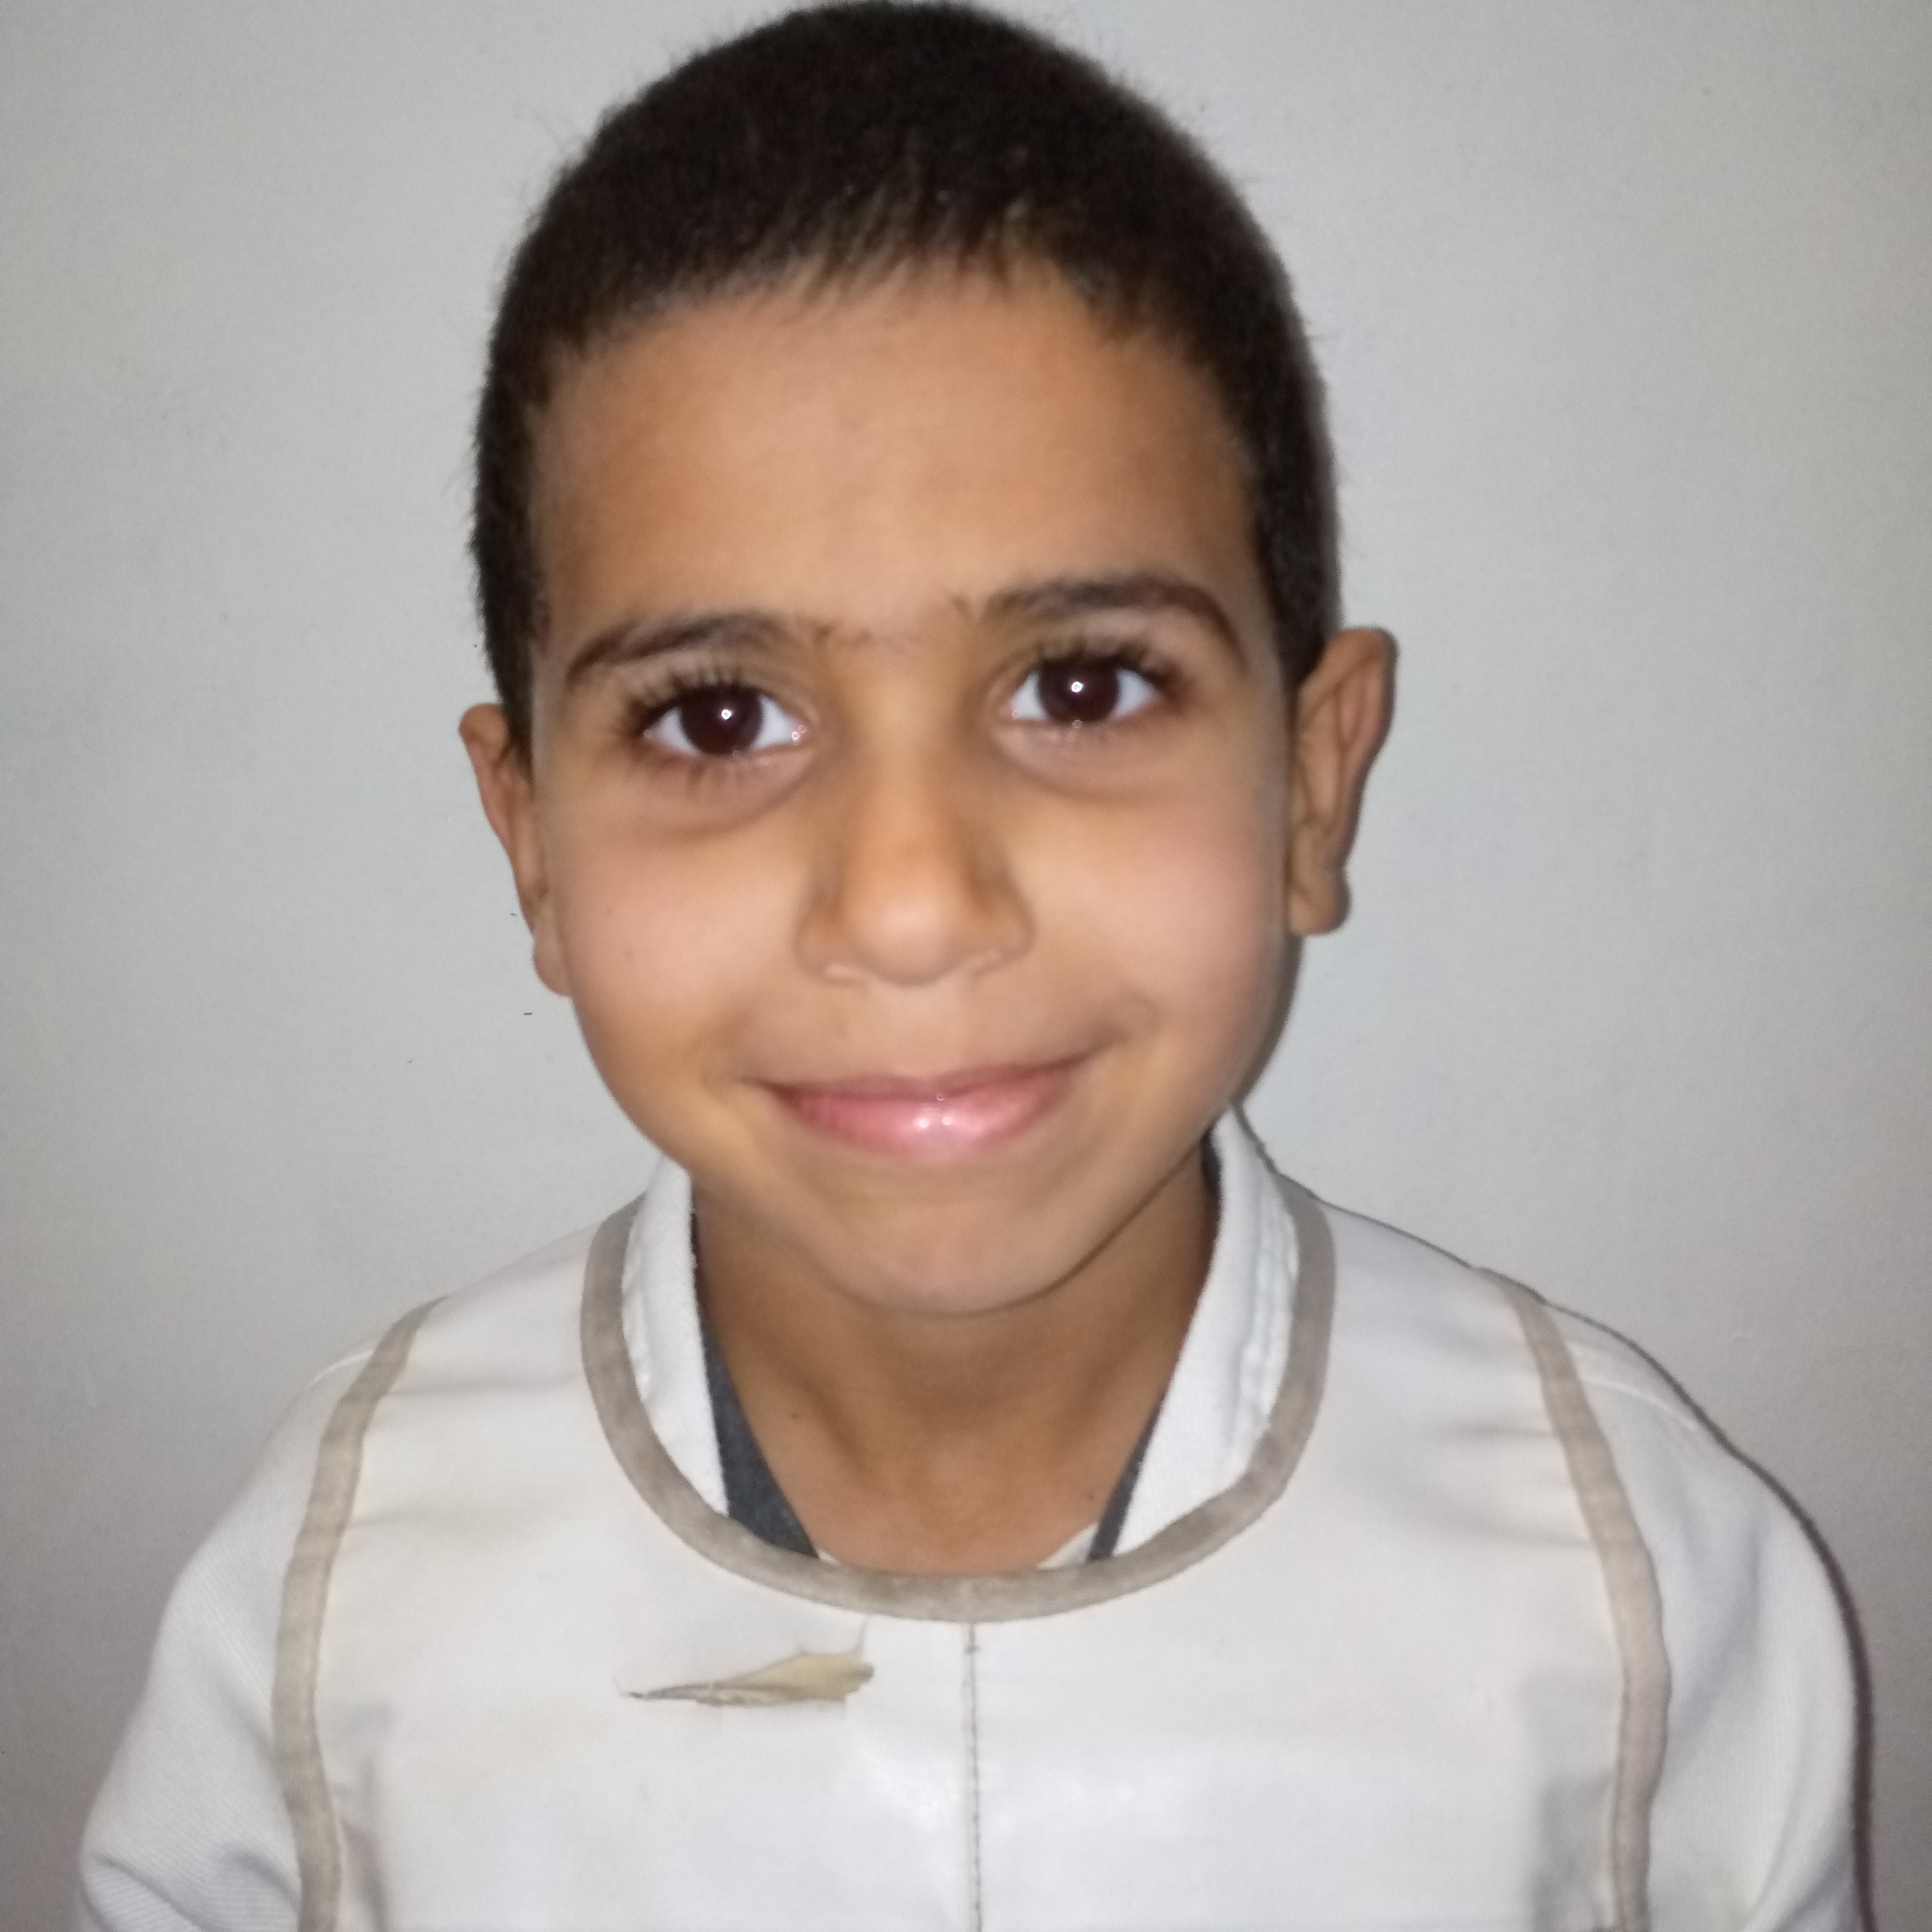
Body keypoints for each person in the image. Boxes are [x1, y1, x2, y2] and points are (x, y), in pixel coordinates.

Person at [77, 5, 1860, 1928]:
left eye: (1080, 687)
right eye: (717, 716)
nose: (912, 905)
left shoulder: (1620, 1590)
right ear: (531, 845)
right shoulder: (344, 1596)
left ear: (1313, 784)